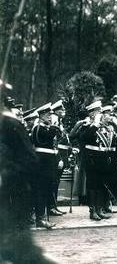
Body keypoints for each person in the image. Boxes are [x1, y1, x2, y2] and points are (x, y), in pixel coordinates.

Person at [0, 80, 54, 262]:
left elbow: (30, 160)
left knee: (21, 252)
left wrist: (5, 174)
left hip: (10, 197)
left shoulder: (10, 124)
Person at [78, 101, 114, 221]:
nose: (101, 113)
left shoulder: (103, 126)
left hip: (102, 158)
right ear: (92, 113)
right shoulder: (87, 125)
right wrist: (95, 124)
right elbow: (84, 138)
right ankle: (92, 210)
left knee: (100, 184)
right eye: (98, 111)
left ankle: (99, 209)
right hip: (91, 158)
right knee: (92, 185)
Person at [31, 102, 60, 229]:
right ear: (41, 115)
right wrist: (54, 127)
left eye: (50, 115)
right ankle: (40, 218)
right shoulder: (38, 128)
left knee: (46, 190)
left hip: (48, 163)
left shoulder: (46, 128)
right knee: (40, 191)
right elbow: (45, 138)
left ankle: (42, 217)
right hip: (42, 163)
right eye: (48, 115)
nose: (50, 117)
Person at [48, 100, 69, 217]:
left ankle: (54, 205)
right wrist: (59, 158)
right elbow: (54, 142)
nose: (64, 112)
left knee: (56, 182)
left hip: (62, 153)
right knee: (54, 182)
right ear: (56, 111)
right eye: (61, 110)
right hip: (57, 155)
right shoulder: (54, 120)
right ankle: (51, 206)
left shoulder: (59, 121)